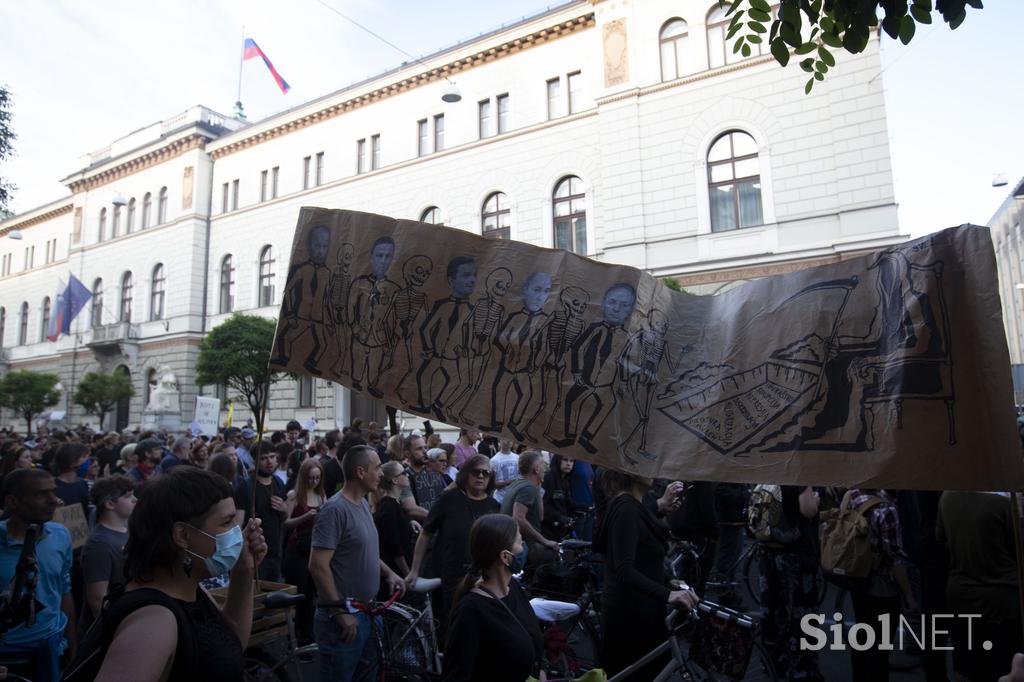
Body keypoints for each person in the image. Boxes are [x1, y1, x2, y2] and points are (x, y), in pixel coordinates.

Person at [74, 467, 267, 681]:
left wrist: (244, 569)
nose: (236, 531)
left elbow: (229, 643)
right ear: (182, 535)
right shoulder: (153, 624)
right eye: (226, 522)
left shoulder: (187, 587)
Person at [309, 445, 406, 682]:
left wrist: (389, 573)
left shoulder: (363, 503)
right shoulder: (334, 510)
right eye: (377, 468)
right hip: (344, 621)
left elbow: (365, 551)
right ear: (361, 472)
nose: (381, 474)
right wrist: (339, 611)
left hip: (369, 614)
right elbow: (317, 565)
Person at [595, 470, 699, 679]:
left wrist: (668, 582)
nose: (652, 470)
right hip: (632, 619)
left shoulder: (632, 505)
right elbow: (624, 569)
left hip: (642, 611)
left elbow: (641, 557)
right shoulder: (625, 507)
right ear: (630, 472)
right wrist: (667, 594)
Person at [405, 454, 499, 642]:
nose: (480, 476)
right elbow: (425, 534)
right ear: (466, 474)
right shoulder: (449, 499)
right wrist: (414, 570)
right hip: (448, 577)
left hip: (480, 580)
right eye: (476, 472)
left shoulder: (494, 506)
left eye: (485, 473)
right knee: (450, 631)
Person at [443, 514, 543, 682]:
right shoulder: (471, 610)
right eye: (520, 542)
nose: (524, 546)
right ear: (505, 557)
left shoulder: (514, 589)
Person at [0, 469, 76, 681]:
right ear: (13, 501)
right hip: (8, 660)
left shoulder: (60, 535)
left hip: (50, 649)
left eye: (53, 492)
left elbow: (63, 590)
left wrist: (72, 647)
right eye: (41, 494)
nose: (54, 501)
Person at [938, 490, 1019, 682]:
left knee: (969, 668)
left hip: (962, 593)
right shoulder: (1003, 505)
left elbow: (941, 539)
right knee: (1002, 667)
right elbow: (1016, 547)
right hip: (1001, 598)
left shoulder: (947, 497)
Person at [758, 485, 824, 681]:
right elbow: (808, 509)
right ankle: (801, 669)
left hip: (769, 552)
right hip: (796, 555)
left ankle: (773, 661)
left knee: (773, 609)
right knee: (801, 614)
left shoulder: (768, 473)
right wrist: (816, 499)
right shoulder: (800, 475)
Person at [79, 475, 135, 638]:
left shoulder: (128, 529)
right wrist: (114, 634)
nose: (135, 500)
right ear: (110, 504)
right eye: (127, 496)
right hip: (111, 631)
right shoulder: (100, 544)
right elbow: (98, 599)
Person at [283, 458, 326, 646]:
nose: (313, 482)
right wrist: (305, 516)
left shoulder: (321, 495)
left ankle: (307, 633)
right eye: (310, 478)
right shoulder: (294, 495)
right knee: (299, 592)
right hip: (297, 549)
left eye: (317, 478)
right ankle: (295, 634)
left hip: (313, 547)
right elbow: (285, 523)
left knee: (310, 593)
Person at [234, 442, 287, 581]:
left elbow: (285, 519)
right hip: (255, 554)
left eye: (272, 456)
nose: (269, 462)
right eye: (263, 458)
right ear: (255, 461)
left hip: (275, 554)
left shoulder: (278, 483)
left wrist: (284, 509)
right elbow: (237, 526)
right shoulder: (246, 487)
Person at [500, 450, 558, 568]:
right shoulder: (527, 488)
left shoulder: (519, 484)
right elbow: (518, 518)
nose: (545, 469)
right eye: (543, 465)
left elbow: (540, 517)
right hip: (523, 548)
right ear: (536, 469)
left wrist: (538, 488)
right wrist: (545, 541)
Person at [373, 462, 415, 589]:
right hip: (395, 577)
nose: (407, 475)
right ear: (395, 480)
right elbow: (394, 547)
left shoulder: (394, 504)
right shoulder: (388, 507)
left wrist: (410, 522)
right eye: (403, 473)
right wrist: (407, 574)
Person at [542, 454, 577, 540]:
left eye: (571, 461)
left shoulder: (565, 480)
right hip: (548, 531)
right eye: (565, 460)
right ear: (558, 460)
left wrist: (583, 507)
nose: (569, 464)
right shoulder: (548, 478)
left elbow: (566, 502)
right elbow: (543, 506)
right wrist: (559, 517)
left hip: (561, 530)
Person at [52, 443, 91, 515]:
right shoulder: (52, 486)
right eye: (84, 456)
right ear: (72, 460)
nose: (87, 460)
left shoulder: (82, 483)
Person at [489, 438, 519, 504]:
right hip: (501, 499)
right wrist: (508, 482)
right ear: (499, 440)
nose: (508, 440)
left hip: (516, 499)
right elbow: (492, 484)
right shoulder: (494, 460)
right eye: (505, 438)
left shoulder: (517, 458)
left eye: (510, 438)